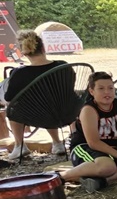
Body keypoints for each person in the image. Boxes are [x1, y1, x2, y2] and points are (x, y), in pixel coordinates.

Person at [2, 30, 68, 161]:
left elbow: (9, 98)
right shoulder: (63, 66)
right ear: (43, 48)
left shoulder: (20, 73)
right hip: (66, 112)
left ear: (23, 52)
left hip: (36, 116)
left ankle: (20, 145)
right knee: (50, 102)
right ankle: (57, 143)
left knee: (12, 107)